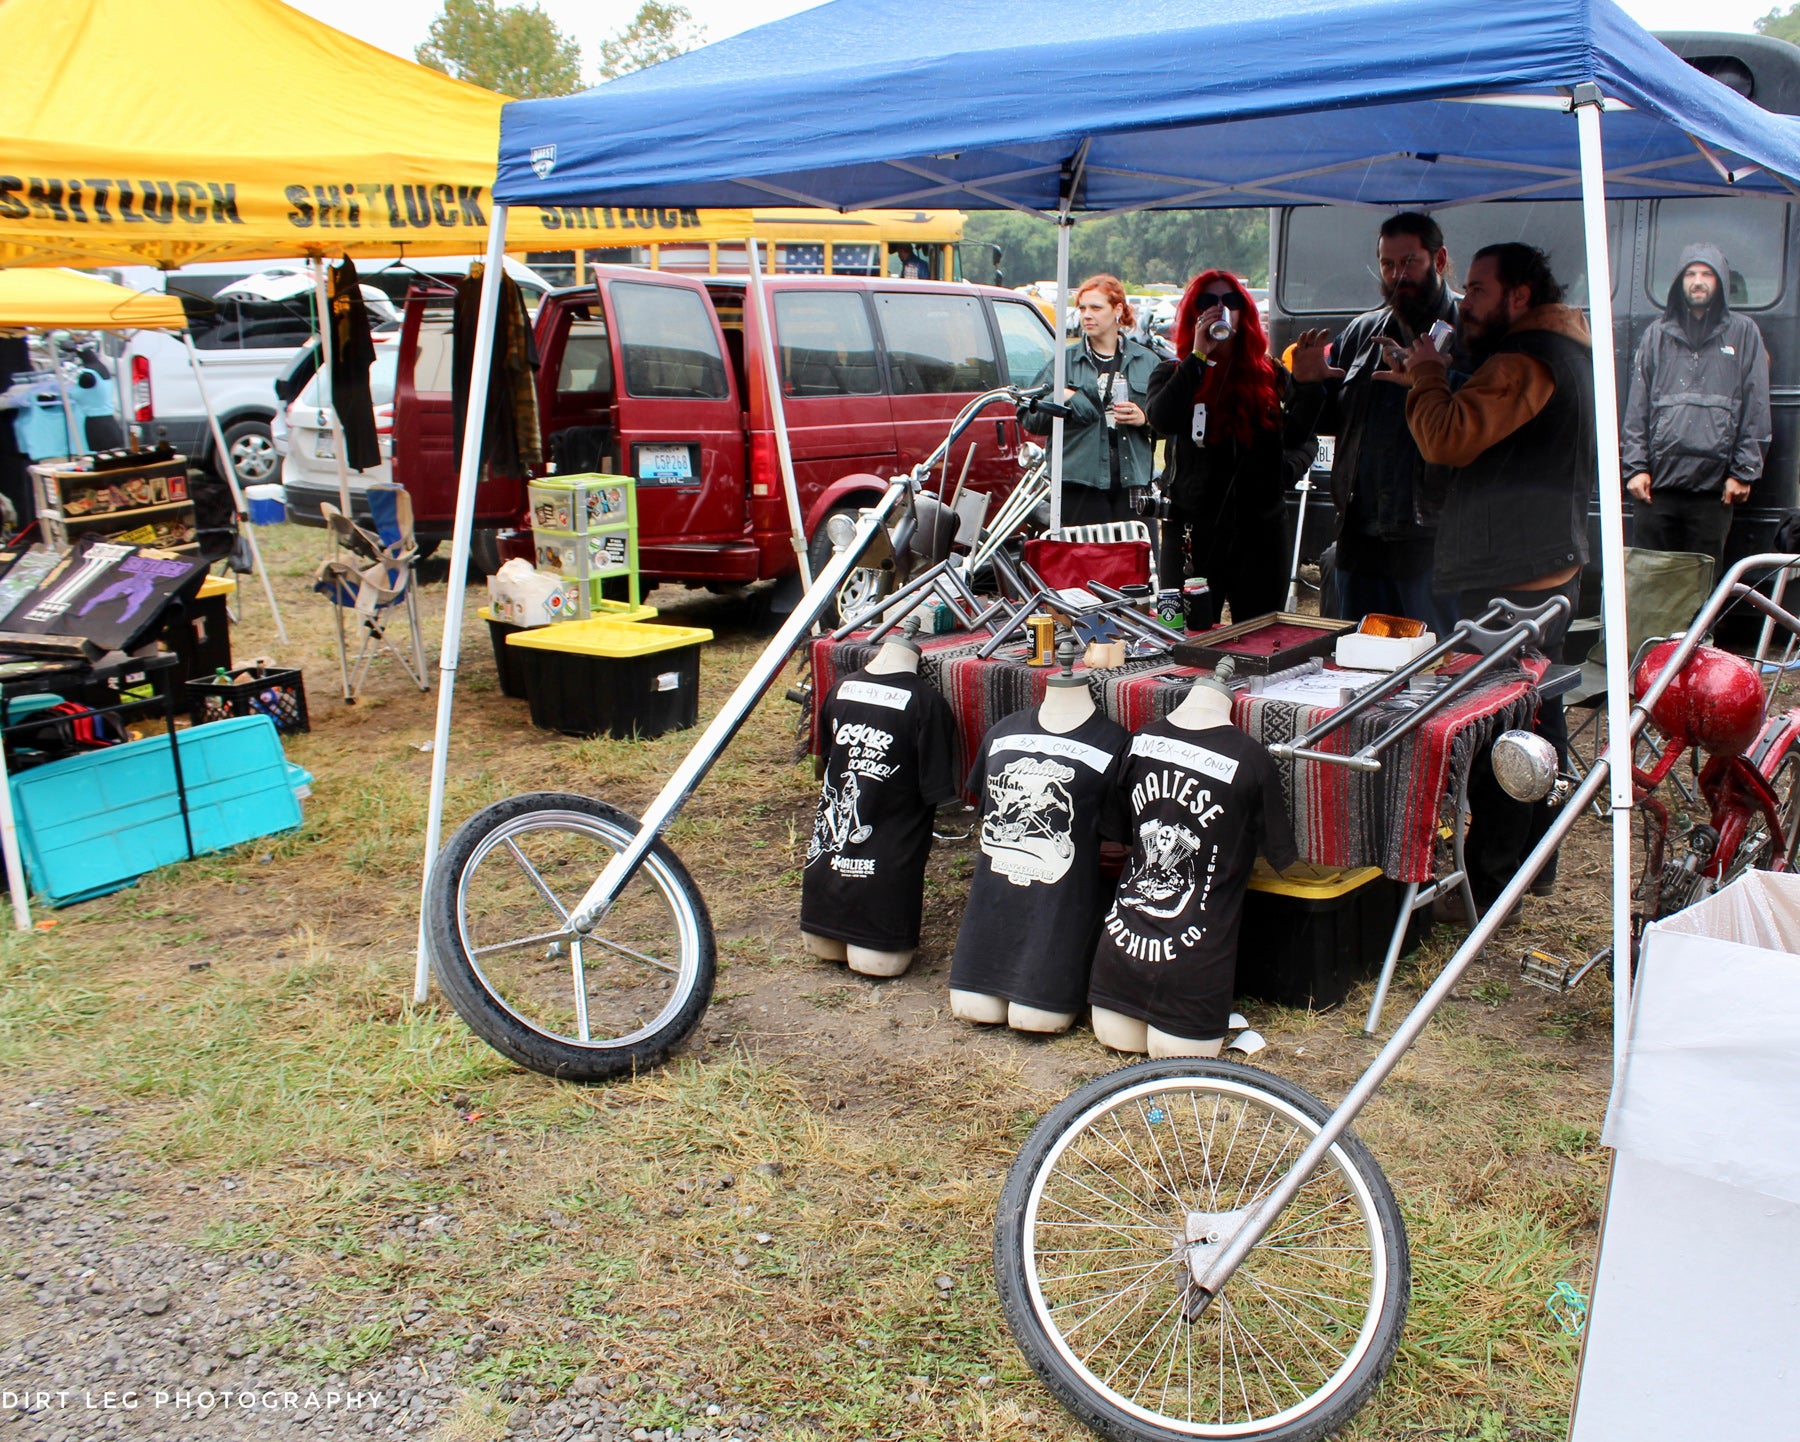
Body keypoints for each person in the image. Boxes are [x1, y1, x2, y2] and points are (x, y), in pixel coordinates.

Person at [1387, 241, 1594, 915]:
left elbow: (1447, 438)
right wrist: (1439, 379)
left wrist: (1425, 378)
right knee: (1538, 717)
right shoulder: (1559, 349)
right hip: (1540, 564)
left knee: (1501, 730)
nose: (1466, 300)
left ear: (1521, 296)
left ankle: (1492, 876)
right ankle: (1534, 861)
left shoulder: (1525, 359)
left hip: (1515, 574)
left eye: (1477, 289)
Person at [1288, 212, 1459, 636]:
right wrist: (1307, 385)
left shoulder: (1469, 332)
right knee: (1360, 665)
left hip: (1433, 538)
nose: (1398, 275)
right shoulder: (1363, 332)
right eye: (1387, 264)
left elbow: (1475, 423)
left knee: (1434, 669)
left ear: (1438, 260)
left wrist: (1429, 378)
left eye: (1410, 261)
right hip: (1361, 539)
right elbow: (1330, 423)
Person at [1146, 269, 1316, 625]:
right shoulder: (1174, 370)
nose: (1220, 309)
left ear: (1245, 312)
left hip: (1259, 533)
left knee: (1259, 639)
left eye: (1231, 301)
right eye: (1208, 302)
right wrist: (1197, 358)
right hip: (1192, 532)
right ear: (1194, 312)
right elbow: (1161, 419)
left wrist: (1283, 471)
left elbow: (1303, 437)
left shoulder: (1269, 374)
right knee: (1181, 636)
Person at [1621, 242, 1771, 571]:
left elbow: (1756, 407)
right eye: (1690, 274)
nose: (1698, 281)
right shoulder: (1655, 336)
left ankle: (1701, 628)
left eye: (1707, 274)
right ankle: (1653, 628)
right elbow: (1637, 409)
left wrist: (1743, 473)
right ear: (1679, 283)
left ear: (1720, 283)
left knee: (1702, 584)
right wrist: (1635, 469)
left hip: (1714, 491)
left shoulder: (1745, 334)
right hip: (1655, 490)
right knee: (1652, 582)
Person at [1022, 274, 1161, 527]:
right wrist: (1062, 396)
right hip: (1080, 483)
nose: (1087, 315)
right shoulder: (1064, 362)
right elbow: (1030, 418)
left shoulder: (1147, 361)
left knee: (1136, 559)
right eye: (1082, 308)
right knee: (1087, 561)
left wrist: (1145, 419)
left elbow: (1171, 422)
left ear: (1117, 309)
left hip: (1132, 482)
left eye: (1096, 308)